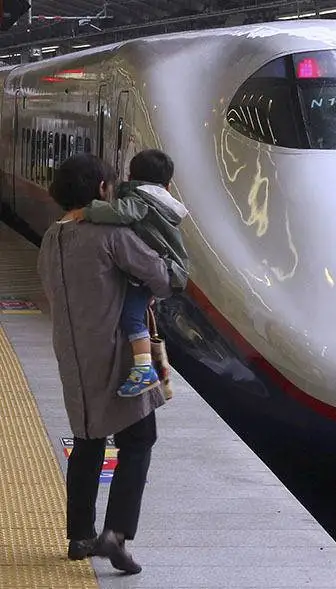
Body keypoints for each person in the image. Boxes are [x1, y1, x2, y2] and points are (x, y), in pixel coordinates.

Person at [37, 153, 176, 575]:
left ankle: (79, 535)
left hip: (73, 359)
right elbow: (160, 276)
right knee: (139, 440)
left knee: (87, 441)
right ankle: (115, 534)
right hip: (118, 357)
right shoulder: (109, 234)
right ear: (102, 190)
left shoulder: (50, 238)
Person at [68, 149, 189, 398]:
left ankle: (144, 369)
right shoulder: (162, 200)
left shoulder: (140, 199)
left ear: (131, 176)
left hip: (162, 269)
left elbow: (122, 212)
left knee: (131, 318)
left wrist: (88, 212)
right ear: (167, 183)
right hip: (165, 268)